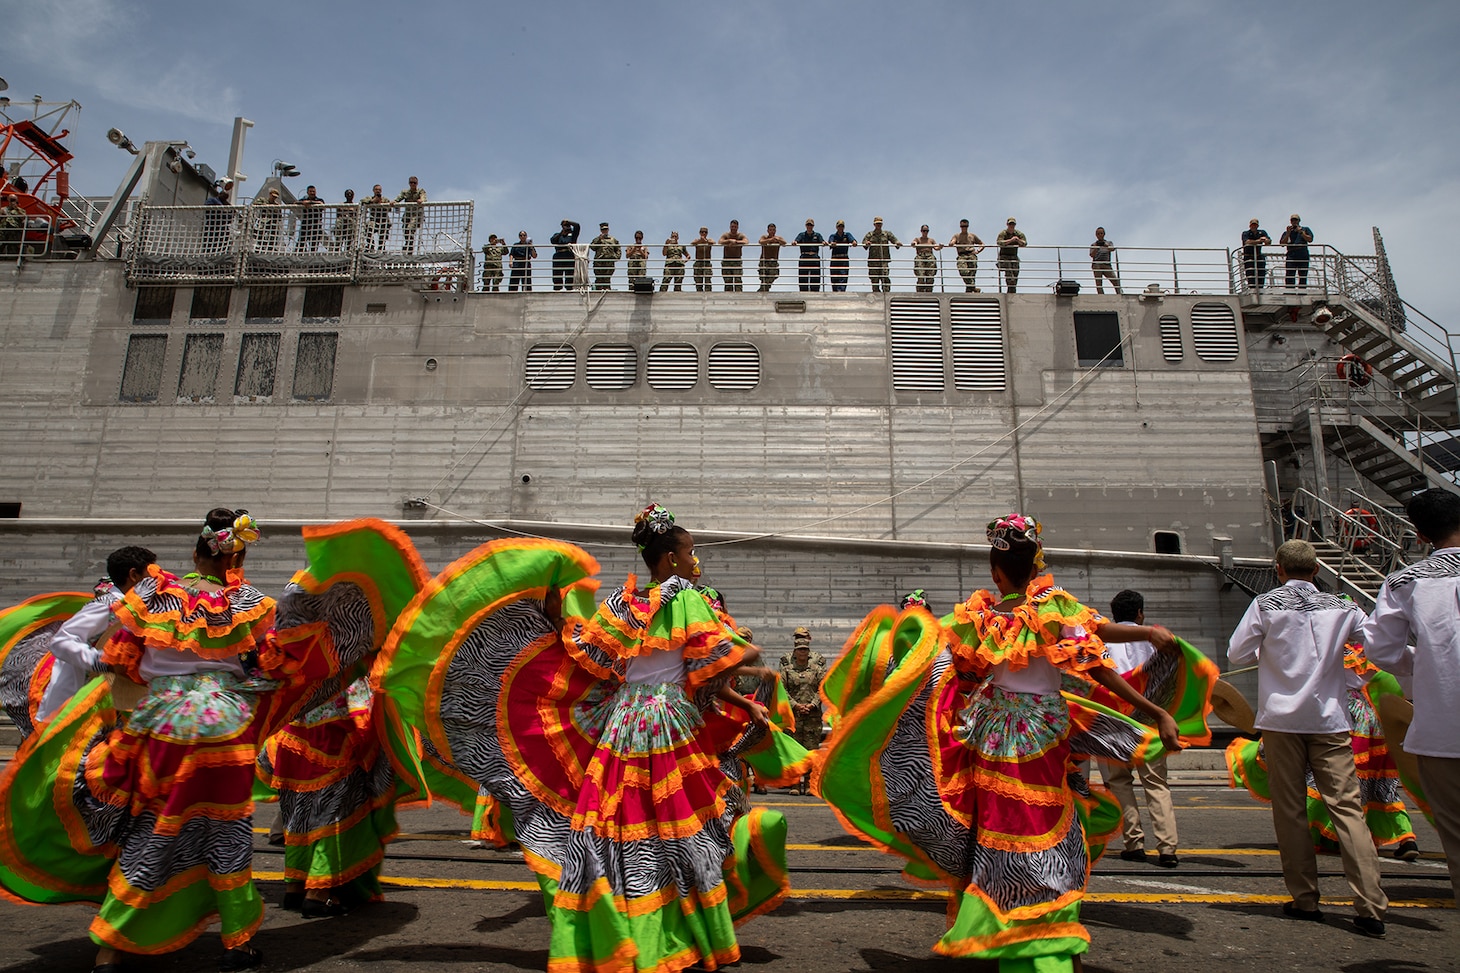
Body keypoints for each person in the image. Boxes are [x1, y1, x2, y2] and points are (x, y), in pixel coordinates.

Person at [372, 504, 783, 972]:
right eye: (689, 552)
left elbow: (586, 651)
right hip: (668, 721)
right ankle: (682, 929)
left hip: (623, 723)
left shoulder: (622, 603)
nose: (695, 560)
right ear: (670, 558)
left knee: (622, 825)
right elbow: (729, 652)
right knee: (682, 825)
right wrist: (739, 655)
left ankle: (623, 925)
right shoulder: (688, 599)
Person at [818, 513, 1187, 971]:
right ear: (1037, 564)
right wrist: (1150, 654)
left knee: (995, 824)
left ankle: (997, 913)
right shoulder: (1053, 606)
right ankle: (1034, 920)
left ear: (995, 571)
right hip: (1040, 733)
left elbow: (962, 675)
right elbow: (1099, 655)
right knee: (1044, 823)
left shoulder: (981, 617)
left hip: (990, 732)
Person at [0, 509, 341, 972]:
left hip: (159, 723)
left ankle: (112, 947)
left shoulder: (152, 593)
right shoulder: (250, 604)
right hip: (224, 726)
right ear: (235, 556)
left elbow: (107, 652)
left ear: (196, 552)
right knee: (227, 830)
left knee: (152, 826)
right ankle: (236, 943)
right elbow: (268, 669)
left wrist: (122, 670)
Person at [1227, 539, 1388, 938]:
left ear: (1278, 569)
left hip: (1282, 720)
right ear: (1317, 570)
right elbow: (1379, 648)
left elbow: (1237, 654)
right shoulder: (1345, 606)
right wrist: (1351, 676)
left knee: (1290, 809)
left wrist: (1274, 655)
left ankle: (1305, 898)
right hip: (1330, 719)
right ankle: (1370, 905)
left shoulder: (1265, 604)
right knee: (1347, 809)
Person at [1363, 488, 1460, 898]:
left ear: (1419, 536)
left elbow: (1381, 649)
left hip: (1442, 726)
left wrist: (1427, 661)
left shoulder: (1404, 581)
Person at [1097, 590, 1180, 867]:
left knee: (1119, 782)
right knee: (1156, 783)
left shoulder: (1102, 642)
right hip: (1149, 719)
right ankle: (1167, 847)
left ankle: (1134, 842)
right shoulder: (1158, 643)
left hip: (1114, 719)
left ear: (1113, 614)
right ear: (1140, 613)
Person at [35, 546, 157, 723]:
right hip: (81, 706)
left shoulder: (136, 607)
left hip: (112, 702)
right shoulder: (109, 605)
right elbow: (61, 641)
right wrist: (104, 662)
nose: (156, 580)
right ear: (134, 575)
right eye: (151, 573)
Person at [780, 626, 826, 794]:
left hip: (812, 716)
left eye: (805, 650)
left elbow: (823, 687)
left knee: (811, 750)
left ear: (808, 650)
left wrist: (813, 704)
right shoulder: (787, 666)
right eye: (799, 650)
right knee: (794, 751)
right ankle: (794, 784)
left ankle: (808, 784)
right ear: (795, 650)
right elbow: (782, 689)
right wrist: (795, 705)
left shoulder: (816, 667)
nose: (802, 653)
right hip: (794, 716)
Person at [861, 216, 901, 292]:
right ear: (874, 224)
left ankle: (886, 294)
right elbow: (864, 243)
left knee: (885, 278)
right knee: (874, 280)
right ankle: (876, 295)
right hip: (873, 261)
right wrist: (867, 243)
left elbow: (894, 240)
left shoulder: (886, 234)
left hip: (883, 261)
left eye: (880, 223)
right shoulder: (870, 234)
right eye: (877, 224)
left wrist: (897, 243)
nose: (878, 225)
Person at [947, 219, 985, 292]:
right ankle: (973, 288)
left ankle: (970, 290)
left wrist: (978, 251)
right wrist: (951, 243)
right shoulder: (957, 235)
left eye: (965, 226)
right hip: (962, 255)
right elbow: (952, 241)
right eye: (962, 226)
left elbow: (982, 244)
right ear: (960, 226)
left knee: (972, 274)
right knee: (963, 271)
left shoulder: (972, 235)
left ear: (968, 226)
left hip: (971, 255)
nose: (964, 227)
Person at [394, 176, 427, 253]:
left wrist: (421, 200)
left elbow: (424, 198)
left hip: (416, 215)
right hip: (407, 214)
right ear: (409, 183)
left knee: (410, 229)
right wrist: (394, 201)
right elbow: (399, 198)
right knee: (405, 230)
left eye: (414, 183)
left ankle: (409, 245)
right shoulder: (405, 192)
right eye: (411, 183)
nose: (413, 184)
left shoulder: (420, 191)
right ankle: (408, 244)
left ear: (417, 183)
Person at [1281, 213, 1314, 289]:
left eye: (1296, 220)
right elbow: (1282, 243)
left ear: (1299, 221)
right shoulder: (1287, 232)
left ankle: (1302, 290)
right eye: (1292, 220)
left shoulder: (1305, 229)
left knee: (1303, 274)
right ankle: (1290, 290)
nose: (1294, 222)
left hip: (1302, 254)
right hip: (1291, 254)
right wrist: (1288, 233)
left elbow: (1310, 239)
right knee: (1290, 274)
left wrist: (1301, 232)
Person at [824, 219, 857, 292]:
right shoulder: (833, 236)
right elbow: (830, 241)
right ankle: (835, 291)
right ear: (836, 227)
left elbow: (853, 240)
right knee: (834, 275)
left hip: (844, 258)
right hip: (835, 258)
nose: (840, 228)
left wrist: (854, 242)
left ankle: (841, 291)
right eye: (839, 226)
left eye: (842, 226)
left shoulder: (847, 235)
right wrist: (832, 243)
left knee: (843, 275)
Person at [996, 217, 1027, 293]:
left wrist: (1018, 240)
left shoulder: (1018, 234)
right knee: (1009, 272)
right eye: (1010, 224)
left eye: (1013, 224)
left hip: (1013, 256)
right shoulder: (1003, 233)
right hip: (1004, 256)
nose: (1011, 226)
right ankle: (1010, 288)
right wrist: (1011, 240)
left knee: (1015, 273)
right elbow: (999, 242)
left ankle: (1012, 291)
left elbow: (1025, 243)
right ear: (1007, 224)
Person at [550, 219, 581, 291]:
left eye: (568, 225)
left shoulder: (573, 234)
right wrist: (561, 233)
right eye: (565, 225)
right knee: (557, 273)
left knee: (569, 273)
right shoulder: (558, 235)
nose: (567, 227)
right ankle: (557, 288)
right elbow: (552, 240)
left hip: (569, 254)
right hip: (559, 255)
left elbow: (577, 226)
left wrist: (569, 222)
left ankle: (569, 288)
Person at [795, 218, 824, 292]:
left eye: (810, 225)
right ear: (805, 226)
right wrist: (795, 242)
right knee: (803, 276)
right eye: (808, 225)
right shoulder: (802, 235)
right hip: (804, 256)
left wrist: (824, 242)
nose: (809, 226)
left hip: (814, 257)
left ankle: (815, 292)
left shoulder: (817, 235)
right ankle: (803, 292)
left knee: (815, 276)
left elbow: (822, 241)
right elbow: (796, 240)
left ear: (813, 226)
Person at [719, 219, 749, 291]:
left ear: (737, 227)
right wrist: (729, 240)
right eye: (732, 226)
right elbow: (720, 241)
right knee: (727, 281)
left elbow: (746, 241)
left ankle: (739, 295)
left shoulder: (740, 235)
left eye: (735, 227)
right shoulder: (726, 235)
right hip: (727, 260)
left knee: (737, 280)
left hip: (737, 260)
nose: (733, 228)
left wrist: (736, 242)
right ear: (730, 227)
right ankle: (728, 296)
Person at [589, 221, 620, 290]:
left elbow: (618, 249)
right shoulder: (597, 239)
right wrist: (599, 240)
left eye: (605, 229)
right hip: (599, 262)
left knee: (607, 280)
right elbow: (592, 247)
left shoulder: (613, 240)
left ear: (608, 230)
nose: (604, 231)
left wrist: (615, 257)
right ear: (600, 230)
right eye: (603, 230)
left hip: (609, 262)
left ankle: (607, 292)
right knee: (599, 280)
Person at [1241, 218, 1271, 290]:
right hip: (1249, 257)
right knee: (1250, 275)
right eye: (1252, 225)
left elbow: (1269, 242)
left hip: (1258, 256)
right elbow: (1247, 242)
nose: (1254, 226)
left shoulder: (1262, 232)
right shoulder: (1246, 233)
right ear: (1250, 226)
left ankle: (1260, 289)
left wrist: (1265, 240)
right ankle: (1252, 289)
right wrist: (1259, 241)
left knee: (1261, 274)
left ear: (1257, 226)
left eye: (1255, 225)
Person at [1090, 226, 1121, 294]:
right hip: (1097, 265)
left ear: (1104, 234)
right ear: (1096, 235)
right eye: (1098, 234)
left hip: (1107, 265)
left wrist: (1105, 245)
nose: (1100, 235)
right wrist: (1096, 247)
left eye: (1101, 233)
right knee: (1099, 283)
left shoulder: (1109, 242)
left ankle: (1119, 294)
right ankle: (1101, 296)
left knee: (1115, 280)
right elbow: (1092, 255)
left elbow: (1112, 249)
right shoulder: (1093, 244)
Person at [910, 224, 941, 292]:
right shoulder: (918, 239)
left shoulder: (931, 240)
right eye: (924, 231)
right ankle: (920, 291)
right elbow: (914, 243)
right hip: (920, 256)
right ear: (921, 231)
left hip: (929, 257)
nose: (925, 232)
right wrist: (914, 243)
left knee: (930, 275)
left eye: (927, 231)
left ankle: (928, 291)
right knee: (920, 275)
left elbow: (936, 247)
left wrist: (940, 246)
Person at [758, 222, 787, 291]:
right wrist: (770, 240)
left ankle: (763, 289)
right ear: (768, 231)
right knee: (763, 277)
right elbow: (760, 241)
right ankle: (764, 290)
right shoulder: (764, 237)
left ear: (775, 231)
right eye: (770, 230)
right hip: (764, 261)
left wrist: (778, 240)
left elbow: (784, 243)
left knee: (774, 274)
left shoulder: (778, 238)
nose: (772, 231)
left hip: (773, 261)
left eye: (773, 230)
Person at [297, 184, 325, 252]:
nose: (312, 193)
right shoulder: (304, 199)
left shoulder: (319, 199)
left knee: (314, 244)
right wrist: (303, 203)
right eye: (311, 191)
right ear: (307, 192)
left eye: (313, 191)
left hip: (316, 225)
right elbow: (296, 202)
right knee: (301, 243)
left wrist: (310, 202)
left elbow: (322, 205)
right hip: (306, 224)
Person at [253, 188, 283, 253]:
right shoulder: (263, 200)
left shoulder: (277, 205)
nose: (274, 198)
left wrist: (275, 211)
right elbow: (255, 203)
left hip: (272, 222)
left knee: (274, 234)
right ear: (270, 194)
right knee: (259, 232)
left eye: (275, 197)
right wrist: (265, 206)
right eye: (273, 196)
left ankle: (271, 247)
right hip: (263, 220)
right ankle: (260, 246)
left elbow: (280, 216)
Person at [363, 184, 391, 251]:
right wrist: (373, 201)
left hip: (383, 220)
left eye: (379, 190)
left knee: (383, 234)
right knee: (368, 228)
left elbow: (390, 209)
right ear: (373, 190)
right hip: (374, 220)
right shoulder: (369, 198)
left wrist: (381, 203)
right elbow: (363, 201)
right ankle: (370, 246)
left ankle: (381, 248)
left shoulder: (385, 199)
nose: (378, 191)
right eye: (376, 189)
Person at [691, 226, 714, 292]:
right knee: (698, 280)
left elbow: (713, 242)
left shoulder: (709, 240)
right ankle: (699, 293)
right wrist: (700, 241)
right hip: (698, 262)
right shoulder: (697, 240)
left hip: (707, 263)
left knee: (707, 280)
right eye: (702, 232)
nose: (704, 233)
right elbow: (692, 243)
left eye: (705, 232)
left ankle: (708, 293)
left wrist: (705, 241)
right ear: (699, 233)